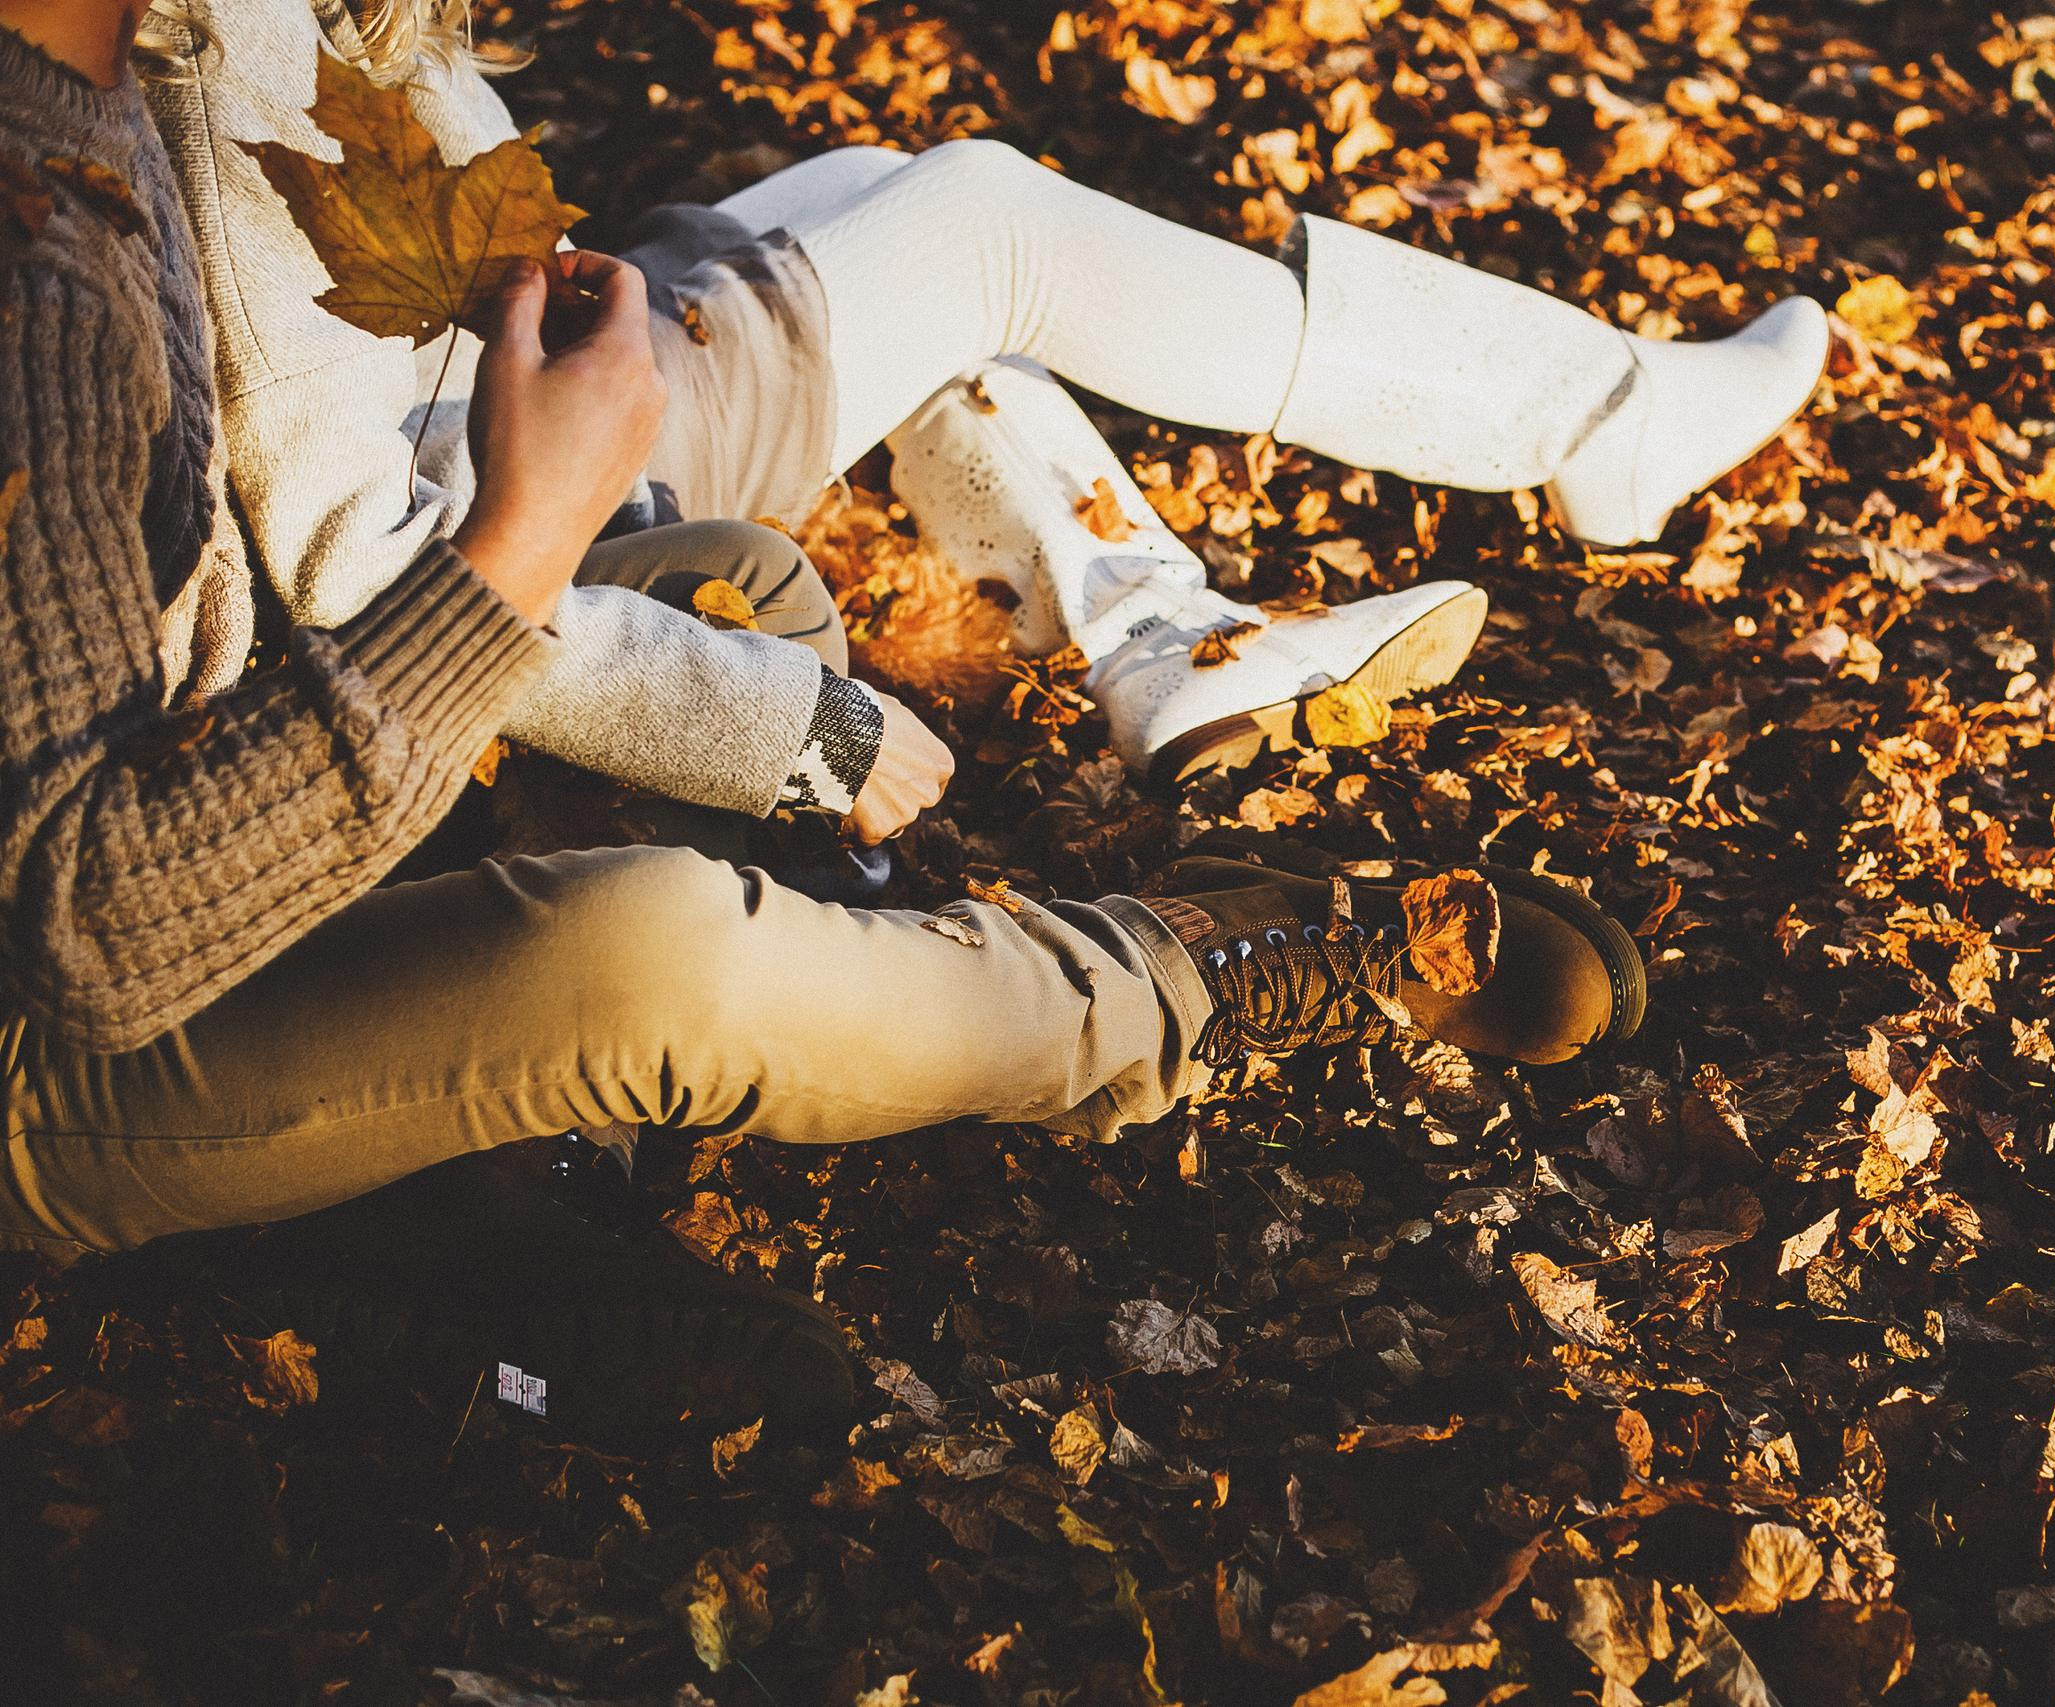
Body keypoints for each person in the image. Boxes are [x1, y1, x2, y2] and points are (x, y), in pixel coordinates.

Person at [0, 0, 1645, 1445]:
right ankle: (1197, 969)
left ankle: (477, 1195)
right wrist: (511, 551)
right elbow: (93, 936)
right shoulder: (43, 255)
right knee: (651, 952)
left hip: (224, 794)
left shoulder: (103, 113)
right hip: (66, 1048)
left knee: (731, 584)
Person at [143, 0, 1829, 797]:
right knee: (990, 227)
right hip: (531, 474)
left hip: (503, 367)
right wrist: (760, 724)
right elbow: (359, 540)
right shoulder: (209, 56)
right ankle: (1599, 422)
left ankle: (1165, 643)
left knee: (883, 182)